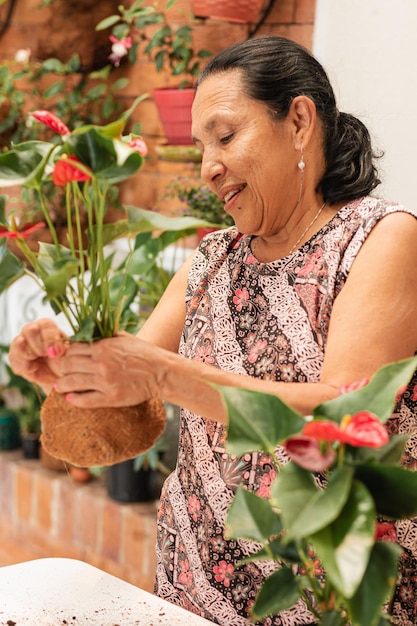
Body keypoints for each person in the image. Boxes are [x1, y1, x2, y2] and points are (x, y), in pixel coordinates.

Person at [8, 36, 417, 625]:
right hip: (192, 589)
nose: (208, 168)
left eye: (225, 137)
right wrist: (66, 375)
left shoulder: (381, 238)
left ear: (299, 121)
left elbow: (343, 421)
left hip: (328, 601)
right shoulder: (213, 260)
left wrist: (159, 373)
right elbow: (118, 421)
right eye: (201, 147)